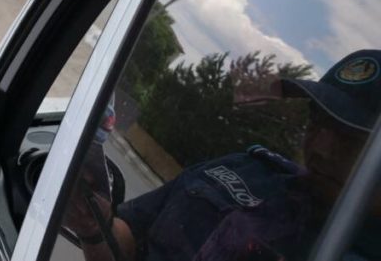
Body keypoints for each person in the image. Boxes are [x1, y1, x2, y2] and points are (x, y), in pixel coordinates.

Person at [63, 50, 381, 261]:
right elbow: (126, 240)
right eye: (317, 121)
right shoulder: (246, 168)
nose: (321, 149)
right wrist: (94, 226)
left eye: (352, 139)